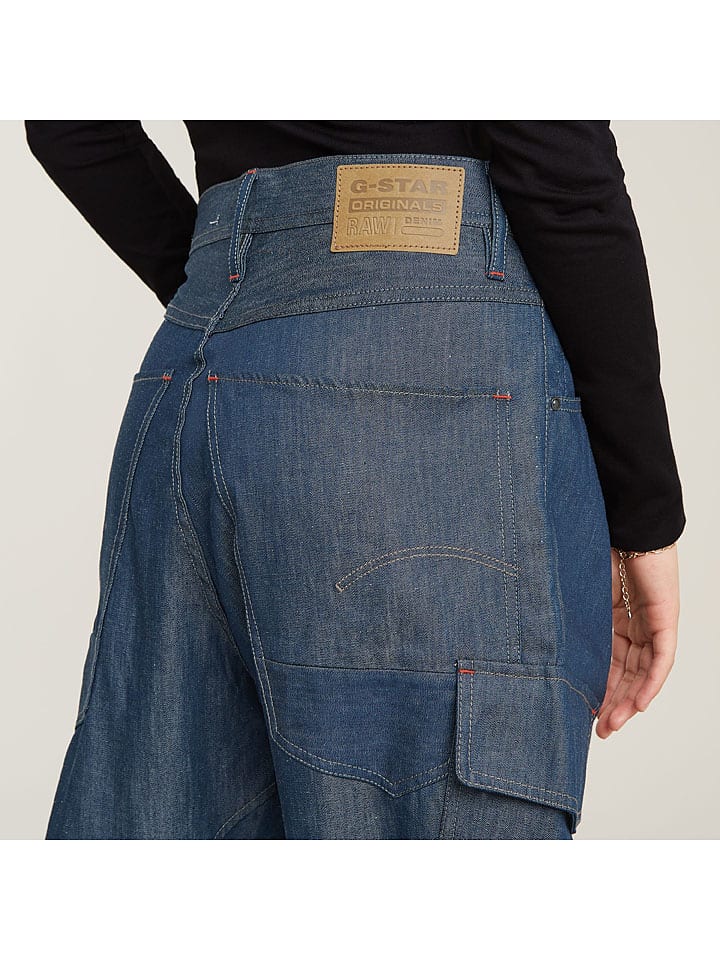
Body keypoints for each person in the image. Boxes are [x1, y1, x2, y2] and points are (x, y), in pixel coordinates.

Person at [25, 121, 684, 840]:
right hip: (423, 367)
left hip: (197, 363)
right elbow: (560, 175)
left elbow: (69, 126)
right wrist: (643, 517)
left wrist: (241, 284)